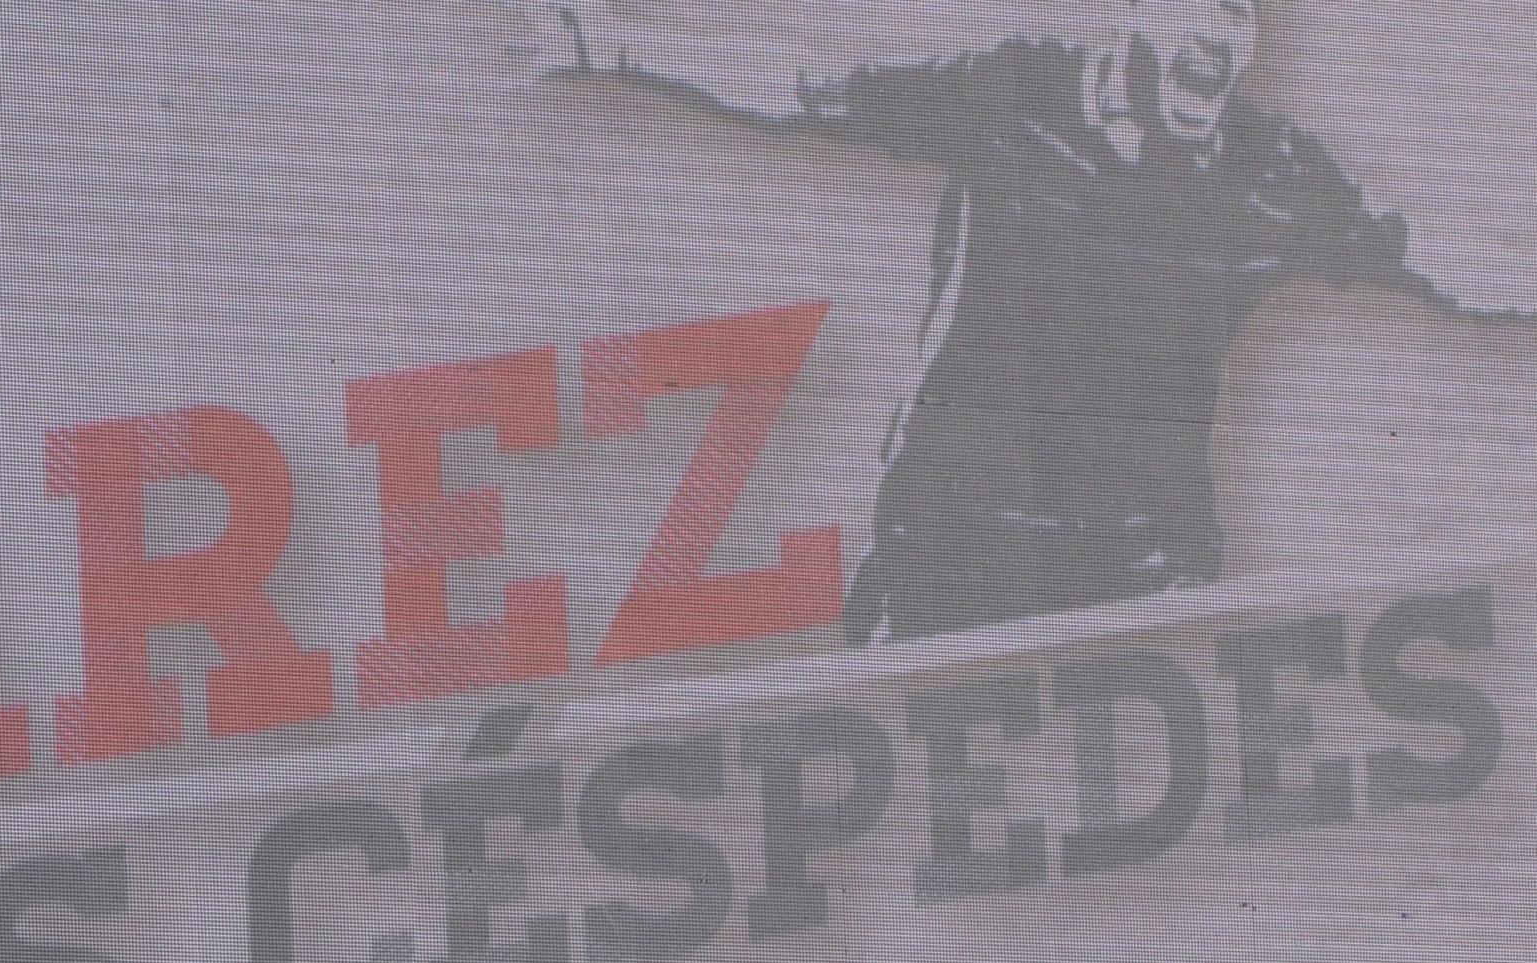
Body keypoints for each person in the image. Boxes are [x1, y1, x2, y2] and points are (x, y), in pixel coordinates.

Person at [499, 0, 1532, 643]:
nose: (1219, 32)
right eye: (1196, 6)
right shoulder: (1016, 95)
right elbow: (802, 94)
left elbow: (1426, 259)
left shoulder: (1271, 174)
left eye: (1240, 10)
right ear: (1132, 12)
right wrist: (612, 41)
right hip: (954, 549)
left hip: (1143, 575)